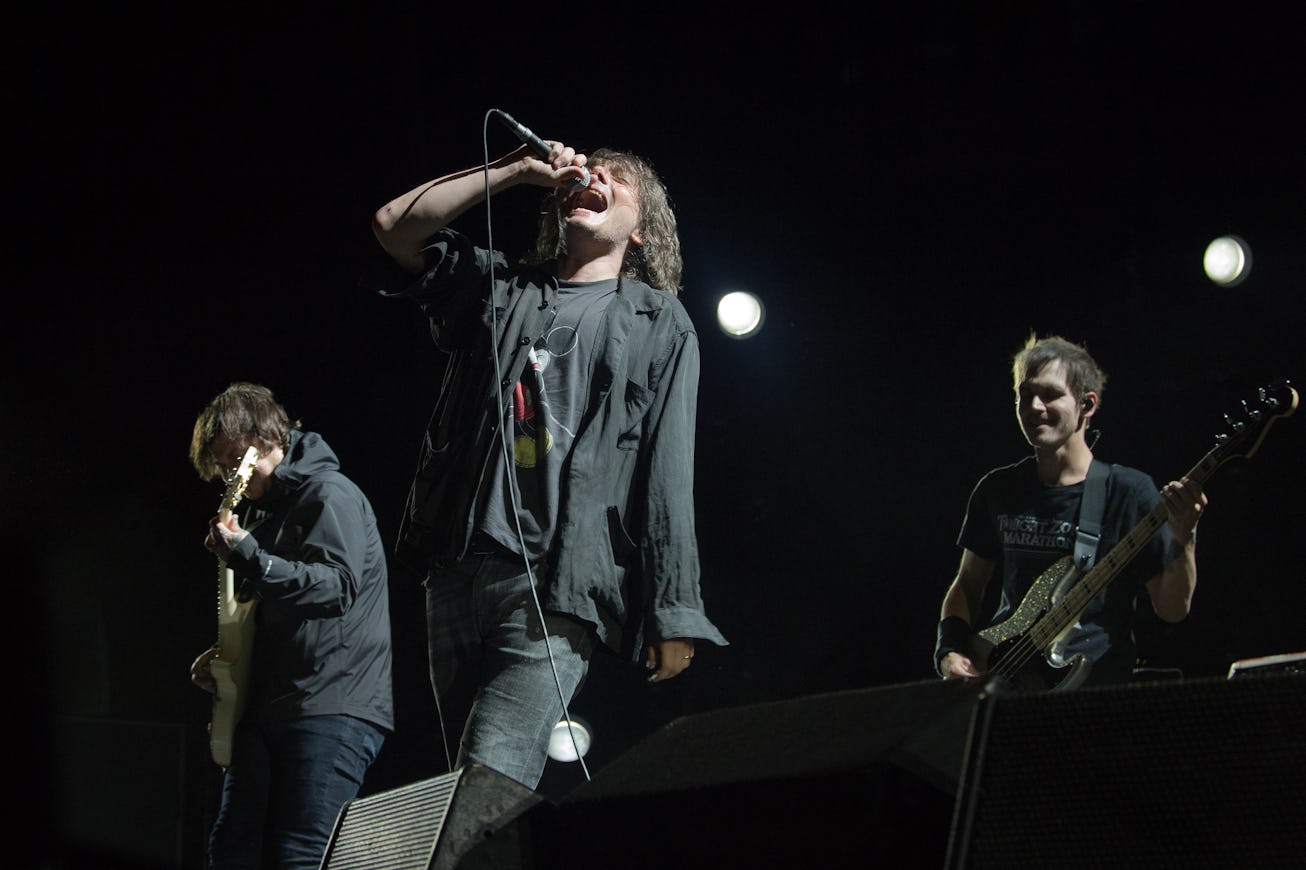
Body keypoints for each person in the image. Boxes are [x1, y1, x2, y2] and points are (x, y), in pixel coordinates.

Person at [366, 129, 727, 790]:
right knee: (471, 800)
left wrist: (673, 610)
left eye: (616, 178)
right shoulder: (501, 290)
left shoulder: (659, 324)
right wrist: (512, 170)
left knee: (484, 779)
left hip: (556, 590)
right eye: (590, 169)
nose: (596, 176)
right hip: (455, 570)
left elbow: (668, 475)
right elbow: (395, 227)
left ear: (641, 231)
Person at [188, 382, 394, 869]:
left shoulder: (329, 493)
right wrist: (224, 657)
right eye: (220, 469)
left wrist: (253, 556)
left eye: (229, 461)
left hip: (331, 703)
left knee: (302, 853)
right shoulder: (266, 515)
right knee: (231, 846)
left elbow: (336, 589)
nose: (227, 477)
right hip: (270, 705)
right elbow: (268, 611)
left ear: (260, 440)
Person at [934, 334, 1207, 688]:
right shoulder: (997, 489)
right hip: (1007, 685)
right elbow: (968, 585)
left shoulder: (1129, 492)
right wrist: (950, 650)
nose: (1033, 406)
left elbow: (1172, 609)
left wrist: (1184, 535)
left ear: (1087, 405)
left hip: (1094, 692)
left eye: (1049, 394)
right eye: (1024, 394)